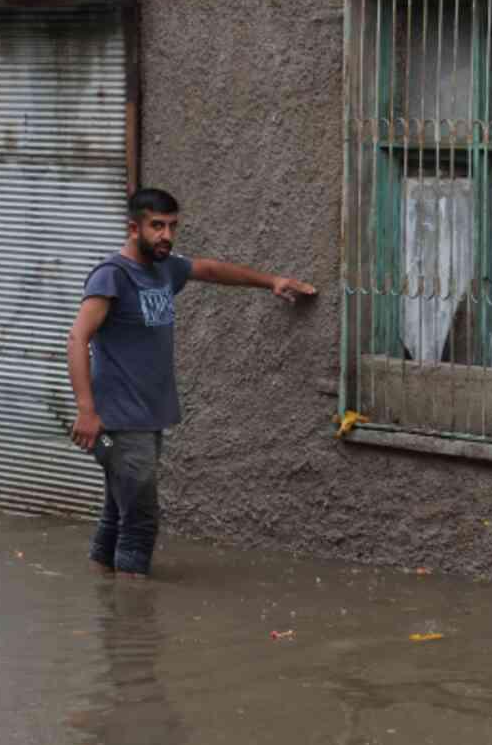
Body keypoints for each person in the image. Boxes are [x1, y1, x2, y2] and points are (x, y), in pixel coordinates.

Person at [66, 188, 316, 577]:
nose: (166, 235)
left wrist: (272, 282)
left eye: (172, 227)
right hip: (118, 422)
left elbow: (211, 270)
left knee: (119, 512)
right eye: (157, 226)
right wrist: (86, 411)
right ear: (134, 228)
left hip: (146, 419)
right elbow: (77, 337)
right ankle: (134, 622)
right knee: (142, 520)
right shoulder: (111, 277)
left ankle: (107, 608)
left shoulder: (164, 268)